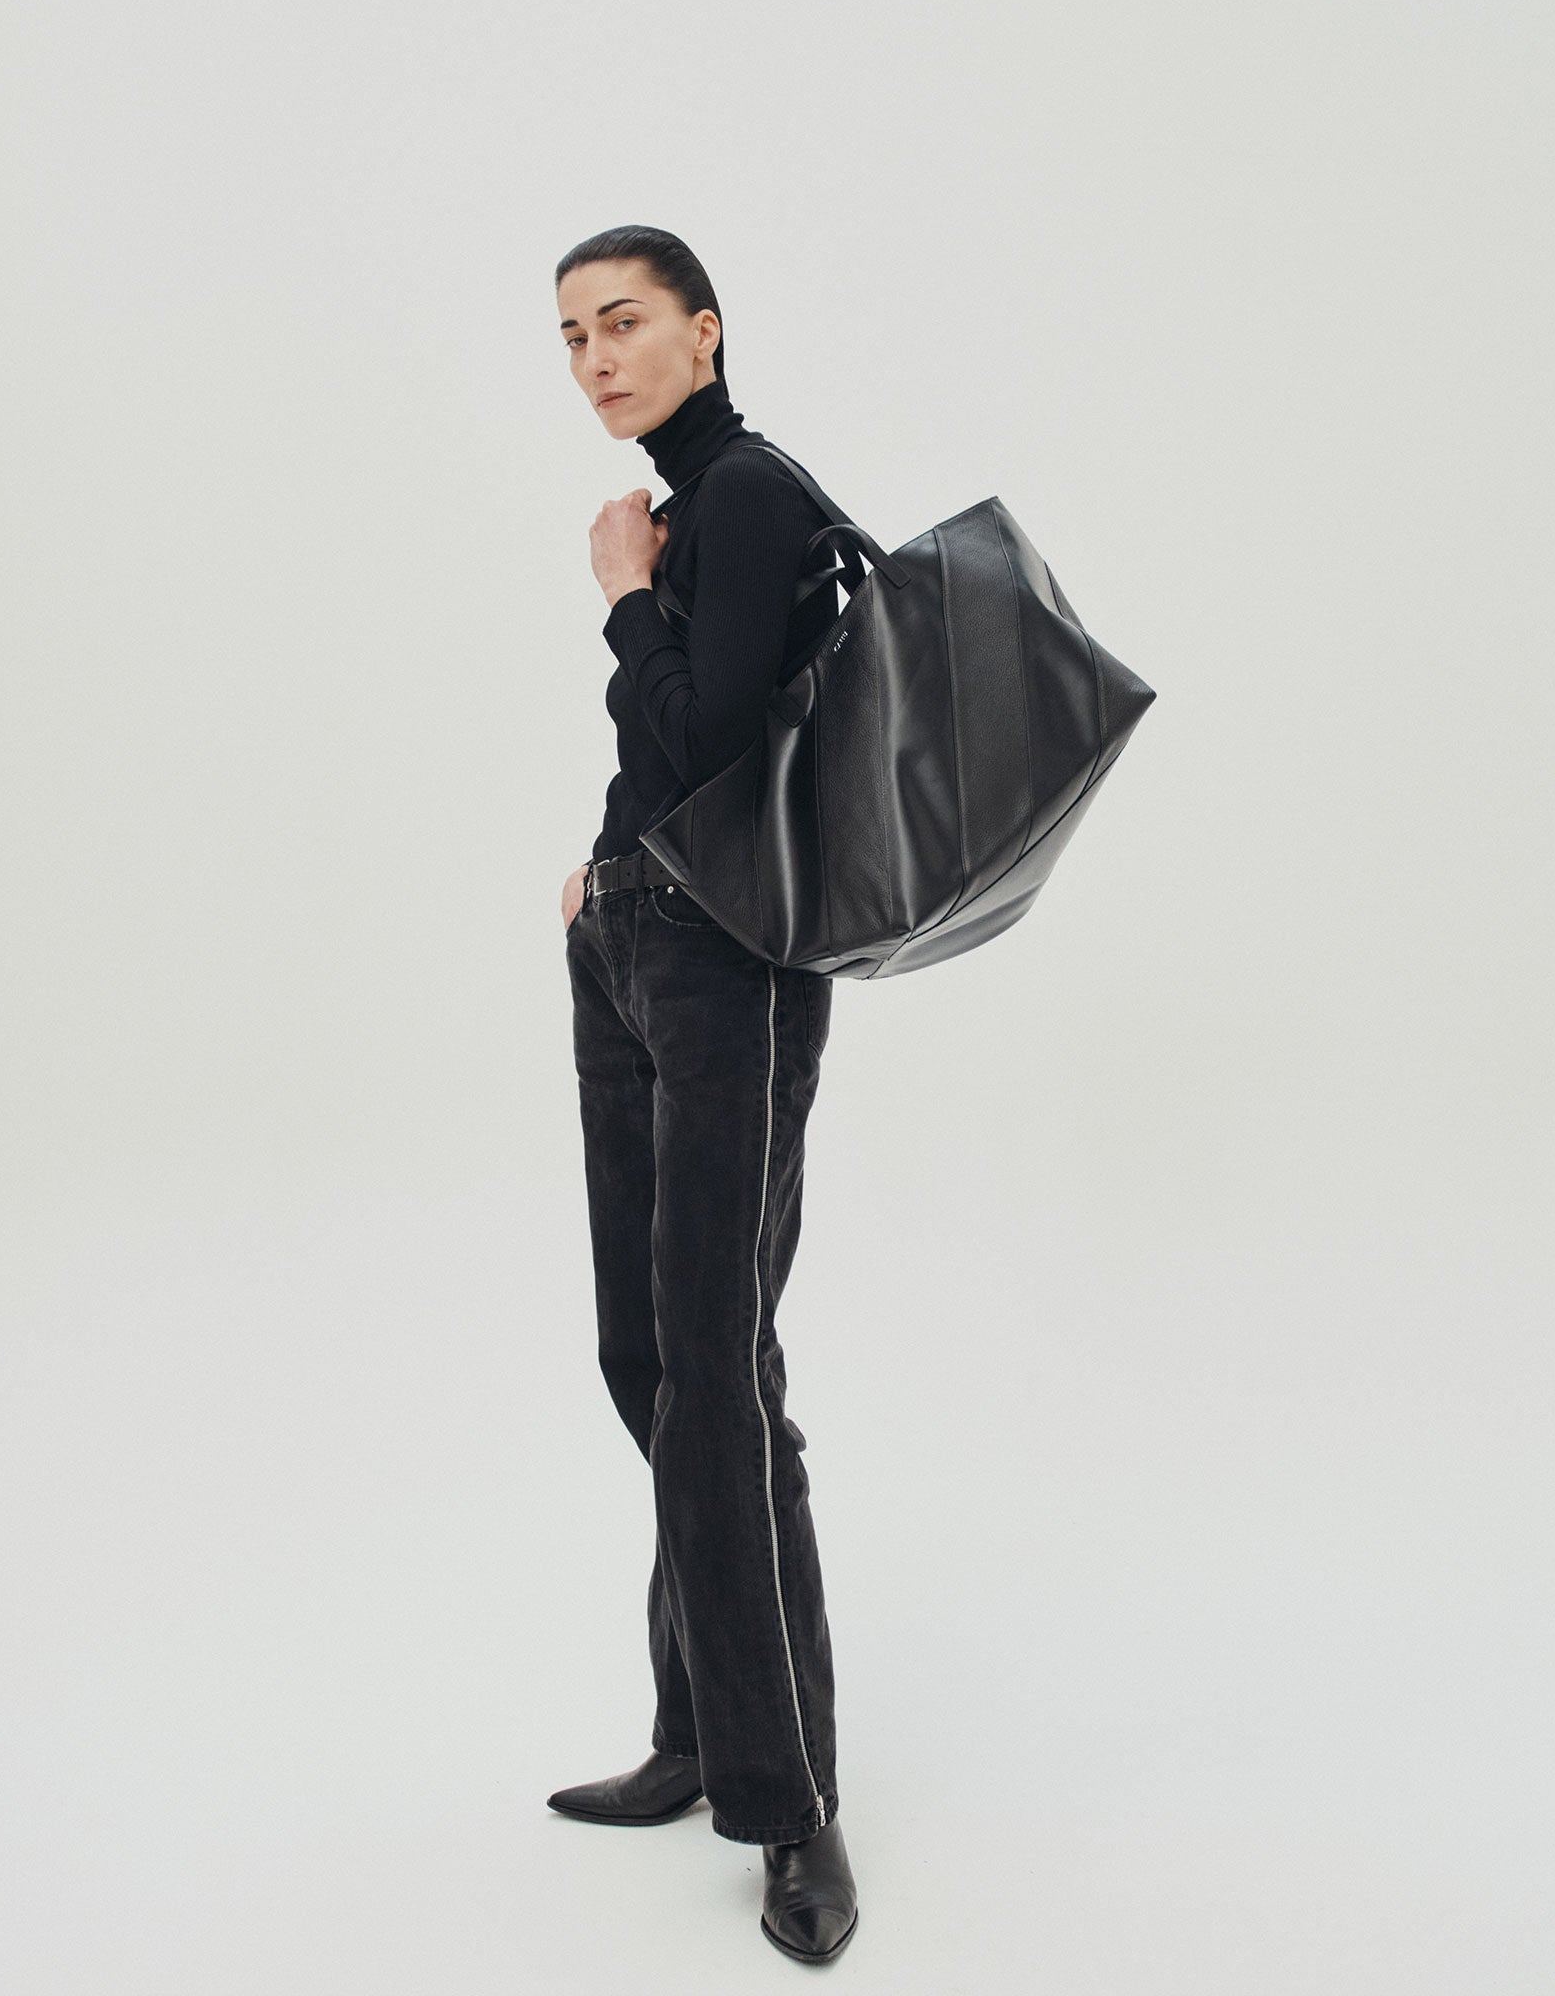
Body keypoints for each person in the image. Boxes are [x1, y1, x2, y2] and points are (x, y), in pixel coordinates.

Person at [548, 225, 859, 1966]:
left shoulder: (741, 496)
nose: (597, 358)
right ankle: (694, 1727)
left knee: (718, 1379)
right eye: (573, 336)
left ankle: (786, 1803)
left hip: (729, 972)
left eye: (626, 323)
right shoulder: (691, 508)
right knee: (653, 1361)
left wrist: (617, 595)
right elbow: (663, 763)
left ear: (706, 332)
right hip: (636, 948)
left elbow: (711, 741)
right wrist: (602, 873)